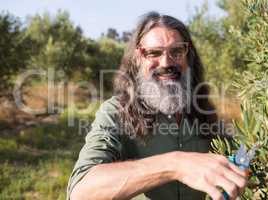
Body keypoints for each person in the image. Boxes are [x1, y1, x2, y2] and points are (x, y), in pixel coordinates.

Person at [67, 11, 247, 200]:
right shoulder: (116, 112)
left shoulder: (201, 108)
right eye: (153, 53)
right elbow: (81, 191)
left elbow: (238, 154)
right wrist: (175, 164)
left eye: (176, 52)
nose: (166, 62)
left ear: (188, 56)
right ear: (138, 57)